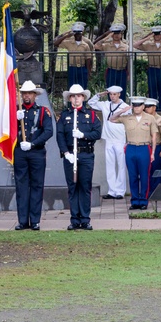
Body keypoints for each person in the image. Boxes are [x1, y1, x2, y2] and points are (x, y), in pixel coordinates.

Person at [56, 83, 103, 230]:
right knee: (72, 187)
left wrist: (83, 135)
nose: (76, 99)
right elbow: (60, 135)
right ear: (70, 98)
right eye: (73, 96)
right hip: (71, 155)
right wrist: (66, 153)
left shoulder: (92, 114)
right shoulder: (65, 115)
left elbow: (97, 133)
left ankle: (85, 219)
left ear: (83, 97)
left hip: (86, 155)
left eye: (78, 96)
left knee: (85, 187)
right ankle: (74, 219)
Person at [14, 80, 53, 231]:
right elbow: (6, 131)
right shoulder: (16, 111)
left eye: (29, 93)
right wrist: (14, 120)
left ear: (35, 95)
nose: (26, 96)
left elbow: (48, 131)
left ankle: (35, 220)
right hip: (20, 152)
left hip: (36, 152)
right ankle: (23, 221)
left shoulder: (43, 111)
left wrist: (33, 143)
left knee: (37, 185)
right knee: (21, 186)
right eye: (24, 93)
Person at [111, 96, 160, 210]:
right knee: (132, 176)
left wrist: (153, 153)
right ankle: (134, 201)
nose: (136, 108)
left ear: (143, 106)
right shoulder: (127, 118)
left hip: (144, 147)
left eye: (139, 106)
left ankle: (143, 201)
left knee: (144, 176)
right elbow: (112, 119)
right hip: (131, 148)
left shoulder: (150, 118)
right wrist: (122, 110)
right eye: (134, 106)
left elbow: (154, 136)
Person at [88, 86, 128, 200]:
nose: (112, 96)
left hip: (120, 139)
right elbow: (91, 103)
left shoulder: (125, 107)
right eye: (110, 94)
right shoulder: (105, 104)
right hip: (108, 139)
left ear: (119, 94)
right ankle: (112, 191)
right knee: (109, 166)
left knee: (120, 165)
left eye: (115, 94)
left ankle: (120, 191)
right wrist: (100, 94)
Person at [134, 26, 161, 110]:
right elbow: (135, 45)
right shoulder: (148, 44)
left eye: (159, 34)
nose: (157, 36)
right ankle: (152, 109)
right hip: (152, 69)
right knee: (152, 90)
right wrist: (147, 37)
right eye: (155, 34)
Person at [53, 23, 94, 88]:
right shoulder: (69, 43)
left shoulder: (85, 45)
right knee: (71, 86)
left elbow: (88, 58)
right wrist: (66, 35)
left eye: (79, 33)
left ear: (82, 33)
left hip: (82, 67)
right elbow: (55, 43)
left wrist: (88, 71)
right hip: (72, 67)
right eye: (76, 33)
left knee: (83, 86)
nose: (77, 35)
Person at [94, 24, 130, 93]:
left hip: (122, 71)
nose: (116, 35)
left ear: (121, 34)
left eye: (118, 33)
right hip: (111, 71)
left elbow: (129, 60)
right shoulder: (107, 45)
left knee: (122, 91)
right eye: (114, 33)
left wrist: (128, 74)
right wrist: (107, 37)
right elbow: (96, 46)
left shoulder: (126, 46)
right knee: (110, 91)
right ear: (112, 35)